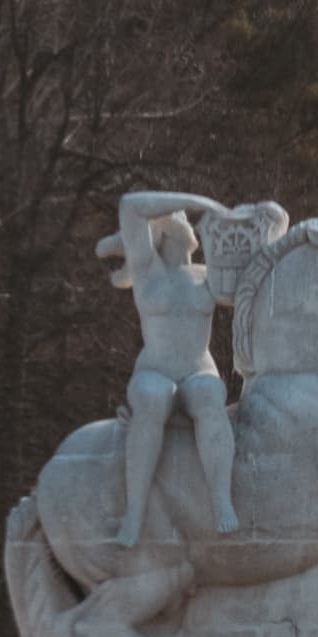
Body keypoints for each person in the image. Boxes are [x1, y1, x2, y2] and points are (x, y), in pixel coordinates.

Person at [98, 190, 237, 546]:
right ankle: (136, 513)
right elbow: (130, 204)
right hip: (154, 370)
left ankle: (221, 501)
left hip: (198, 369)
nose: (182, 224)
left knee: (209, 396)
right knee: (153, 397)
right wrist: (200, 202)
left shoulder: (208, 275)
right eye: (174, 218)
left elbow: (244, 287)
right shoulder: (147, 271)